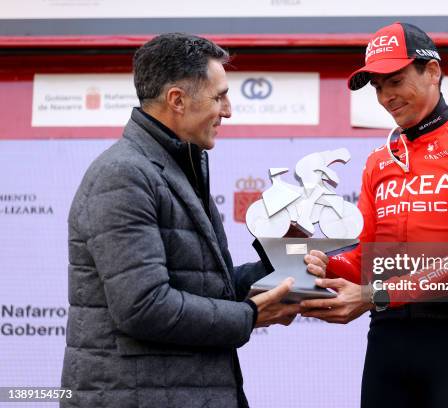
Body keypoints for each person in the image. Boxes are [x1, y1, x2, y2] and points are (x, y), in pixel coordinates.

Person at [61, 33, 299, 408]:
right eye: (219, 96)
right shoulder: (124, 174)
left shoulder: (176, 166)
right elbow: (143, 306)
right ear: (177, 100)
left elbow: (200, 286)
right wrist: (250, 315)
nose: (229, 110)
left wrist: (275, 270)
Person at [301, 22, 448, 407]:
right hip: (387, 338)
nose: (385, 96)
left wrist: (372, 295)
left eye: (395, 80)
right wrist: (324, 264)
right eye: (378, 87)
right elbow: (368, 260)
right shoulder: (378, 161)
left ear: (432, 71)